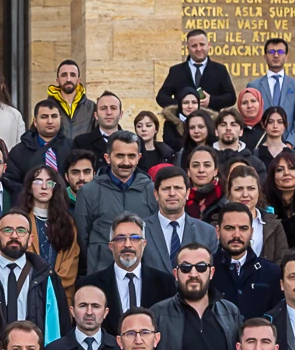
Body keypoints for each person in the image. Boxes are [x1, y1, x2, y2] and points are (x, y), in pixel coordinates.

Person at [0, 209, 71, 343]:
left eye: (21, 231)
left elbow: (62, 323)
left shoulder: (46, 276)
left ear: (30, 239)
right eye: (8, 230)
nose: (14, 236)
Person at [75, 130, 159, 276]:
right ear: (108, 158)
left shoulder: (151, 190)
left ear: (139, 157)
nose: (126, 162)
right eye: (120, 156)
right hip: (101, 273)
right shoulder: (89, 192)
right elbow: (81, 238)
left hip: (142, 274)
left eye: (131, 156)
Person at [77, 213, 179, 321]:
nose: (127, 244)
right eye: (121, 238)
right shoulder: (90, 285)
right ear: (111, 246)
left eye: (134, 238)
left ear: (144, 244)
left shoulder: (165, 284)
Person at [211, 201, 281, 319]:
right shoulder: (205, 270)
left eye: (243, 228)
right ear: (218, 231)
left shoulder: (272, 272)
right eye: (229, 228)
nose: (236, 235)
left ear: (251, 232)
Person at [144, 165, 217, 275]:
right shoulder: (141, 229)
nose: (172, 193)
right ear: (156, 194)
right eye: (166, 188)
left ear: (187, 193)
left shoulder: (207, 232)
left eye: (178, 188)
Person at [18, 165, 80, 291]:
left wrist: (53, 284)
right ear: (30, 186)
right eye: (38, 181)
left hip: (60, 292)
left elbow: (71, 260)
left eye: (49, 182)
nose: (44, 186)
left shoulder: (67, 222)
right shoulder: (20, 220)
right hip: (28, 291)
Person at [2, 100, 73, 201]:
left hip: (65, 205)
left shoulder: (72, 147)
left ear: (60, 119)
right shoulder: (18, 151)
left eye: (54, 116)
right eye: (44, 117)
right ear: (35, 122)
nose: (50, 121)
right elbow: (12, 183)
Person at [222, 164, 290, 263]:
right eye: (238, 189)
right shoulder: (217, 223)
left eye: (251, 188)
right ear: (229, 192)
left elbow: (282, 260)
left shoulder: (274, 225)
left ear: (258, 192)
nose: (245, 194)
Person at [246, 37, 295, 146]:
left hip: (288, 146)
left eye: (280, 52)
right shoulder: (254, 86)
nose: (276, 55)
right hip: (261, 146)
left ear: (286, 57)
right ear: (265, 56)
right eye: (271, 52)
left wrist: (290, 143)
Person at [158, 29, 236, 111]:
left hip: (210, 120)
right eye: (194, 46)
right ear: (188, 48)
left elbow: (231, 97)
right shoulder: (176, 71)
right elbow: (161, 97)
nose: (198, 49)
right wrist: (181, 104)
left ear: (208, 45)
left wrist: (211, 101)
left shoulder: (220, 70)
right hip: (182, 122)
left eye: (202, 44)